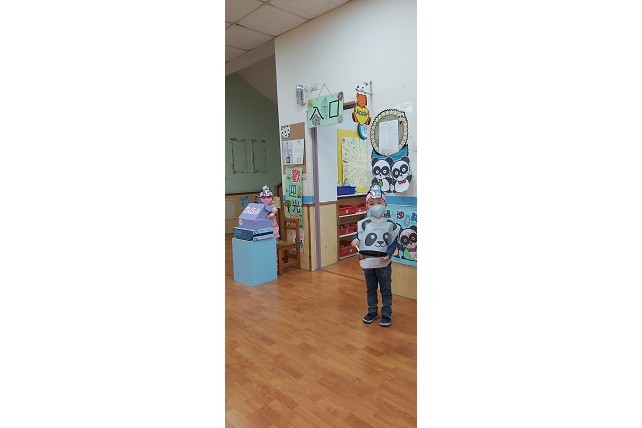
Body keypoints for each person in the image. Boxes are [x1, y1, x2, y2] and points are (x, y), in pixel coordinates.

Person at [351, 184, 400, 327]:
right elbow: (358, 236)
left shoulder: (389, 224)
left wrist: (389, 254)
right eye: (371, 203)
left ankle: (386, 313)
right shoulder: (364, 224)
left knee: (386, 290)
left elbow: (393, 242)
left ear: (385, 204)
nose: (376, 206)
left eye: (379, 202)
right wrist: (355, 239)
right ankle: (372, 311)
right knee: (371, 289)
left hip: (383, 263)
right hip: (368, 263)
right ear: (367, 206)